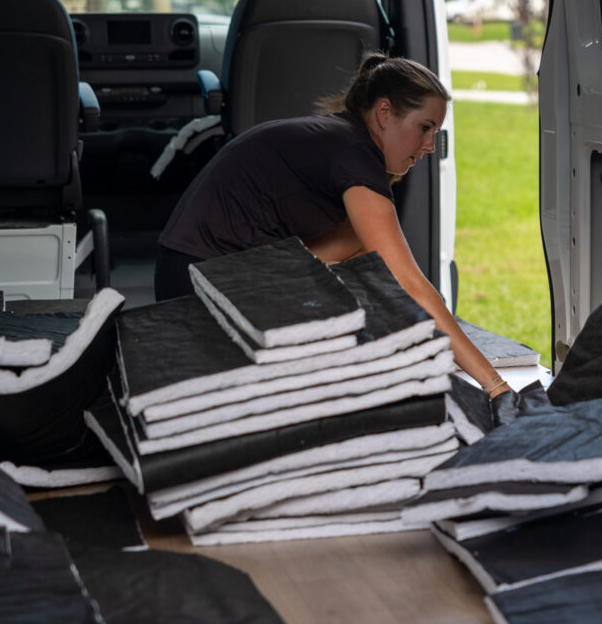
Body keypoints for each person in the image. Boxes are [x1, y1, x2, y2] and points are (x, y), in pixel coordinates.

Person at [155, 53, 512, 400]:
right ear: (384, 113)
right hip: (199, 284)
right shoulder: (353, 152)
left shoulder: (342, 138)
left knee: (364, 241)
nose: (430, 146)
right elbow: (410, 282)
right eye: (424, 127)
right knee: (381, 255)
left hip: (194, 270)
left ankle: (404, 340)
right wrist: (496, 388)